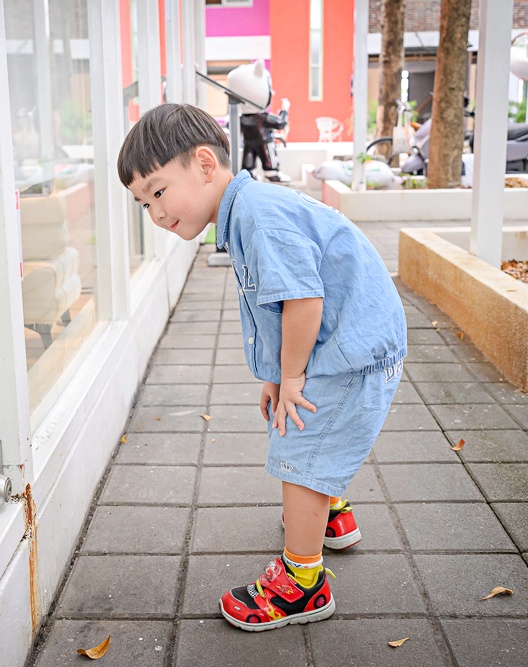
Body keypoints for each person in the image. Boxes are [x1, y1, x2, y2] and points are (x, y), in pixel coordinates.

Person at [117, 104, 406, 631]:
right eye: (144, 203)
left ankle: (303, 584)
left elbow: (303, 300)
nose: (155, 213)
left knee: (299, 447)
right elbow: (276, 305)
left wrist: (291, 377)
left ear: (205, 164)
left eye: (158, 192)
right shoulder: (248, 210)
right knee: (305, 432)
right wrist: (277, 374)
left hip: (352, 352)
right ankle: (330, 514)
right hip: (349, 341)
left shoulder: (257, 215)